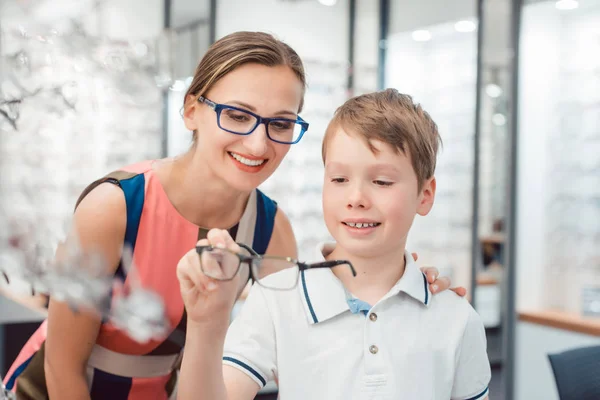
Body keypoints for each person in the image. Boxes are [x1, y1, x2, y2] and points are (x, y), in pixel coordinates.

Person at [3, 32, 460, 400]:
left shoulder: (270, 228)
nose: (258, 145)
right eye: (237, 116)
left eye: (280, 123)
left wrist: (403, 287)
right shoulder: (115, 207)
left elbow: (307, 316)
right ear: (191, 110)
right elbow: (63, 368)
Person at [176, 89, 491, 400]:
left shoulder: (457, 319)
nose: (356, 199)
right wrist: (205, 324)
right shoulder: (275, 300)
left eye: (381, 182)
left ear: (425, 195)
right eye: (339, 179)